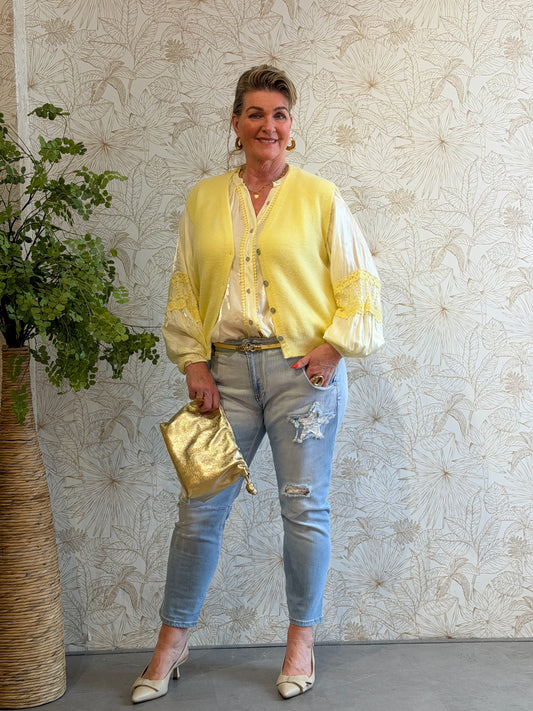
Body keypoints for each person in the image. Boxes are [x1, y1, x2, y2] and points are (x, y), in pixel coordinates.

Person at [131, 64, 384, 703]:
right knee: (199, 511)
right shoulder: (202, 200)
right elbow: (185, 284)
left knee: (303, 507)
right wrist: (192, 361)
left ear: (290, 127)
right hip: (224, 376)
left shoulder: (320, 197)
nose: (267, 125)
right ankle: (171, 642)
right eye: (255, 113)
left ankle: (300, 643)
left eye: (279, 114)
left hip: (302, 376)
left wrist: (333, 346)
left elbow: (359, 283)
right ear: (236, 123)